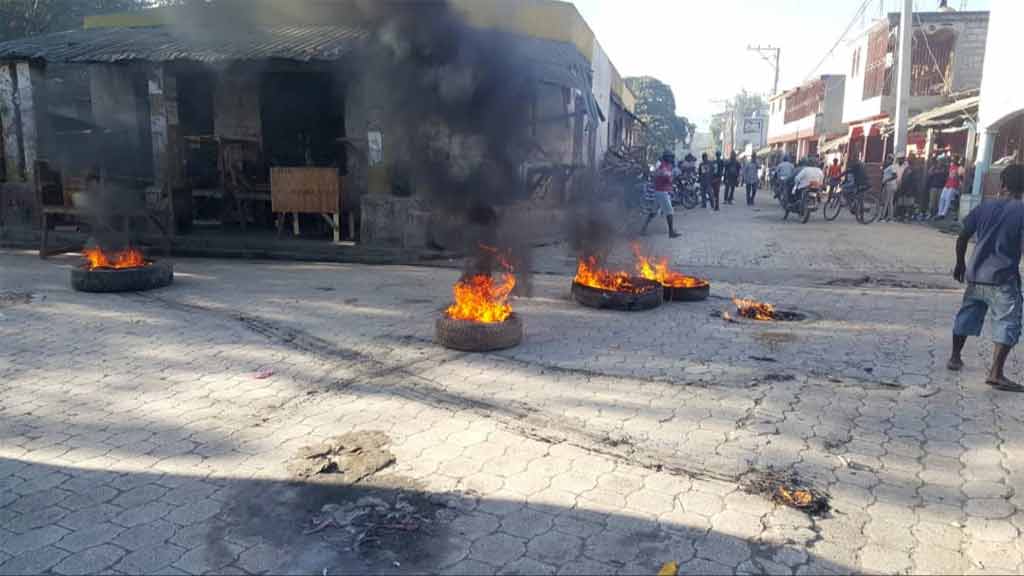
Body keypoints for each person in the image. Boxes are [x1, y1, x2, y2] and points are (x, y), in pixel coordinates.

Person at [948, 164, 1024, 392]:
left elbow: (962, 237)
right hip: (1003, 278)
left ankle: (954, 357)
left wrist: (960, 263)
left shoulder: (985, 206)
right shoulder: (1021, 211)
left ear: (1002, 184)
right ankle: (996, 373)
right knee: (1008, 322)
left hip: (976, 274)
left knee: (967, 314)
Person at [641, 151, 681, 238]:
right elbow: (667, 177)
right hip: (662, 192)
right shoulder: (663, 167)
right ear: (667, 158)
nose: (672, 159)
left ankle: (643, 228)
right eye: (670, 157)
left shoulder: (665, 166)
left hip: (659, 192)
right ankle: (671, 232)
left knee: (653, 212)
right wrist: (672, 175)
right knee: (669, 211)